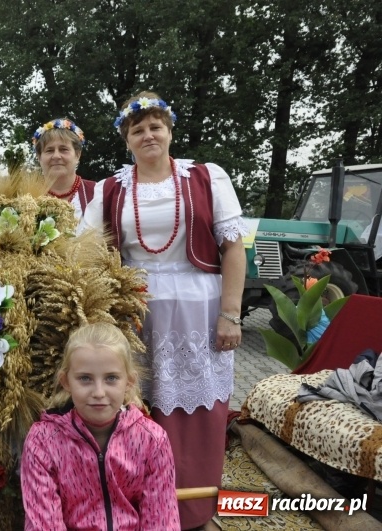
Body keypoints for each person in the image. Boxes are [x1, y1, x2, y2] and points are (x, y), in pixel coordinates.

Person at [82, 91, 248, 530]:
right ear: (127, 140)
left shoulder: (206, 177)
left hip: (199, 312)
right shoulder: (110, 188)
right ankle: (136, 506)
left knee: (195, 411)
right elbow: (82, 251)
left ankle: (191, 510)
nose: (148, 134)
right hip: (136, 315)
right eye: (138, 129)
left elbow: (233, 248)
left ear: (170, 132)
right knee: (136, 405)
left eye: (156, 126)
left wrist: (230, 314)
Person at [21, 322, 178, 530]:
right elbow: (43, 523)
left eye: (111, 378)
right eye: (85, 378)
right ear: (66, 381)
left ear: (129, 381)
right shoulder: (42, 441)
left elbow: (162, 520)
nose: (98, 392)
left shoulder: (152, 440)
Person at [32, 118, 96, 223]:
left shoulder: (98, 193)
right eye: (49, 150)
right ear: (39, 157)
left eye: (63, 149)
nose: (56, 156)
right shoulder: (25, 196)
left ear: (77, 155)